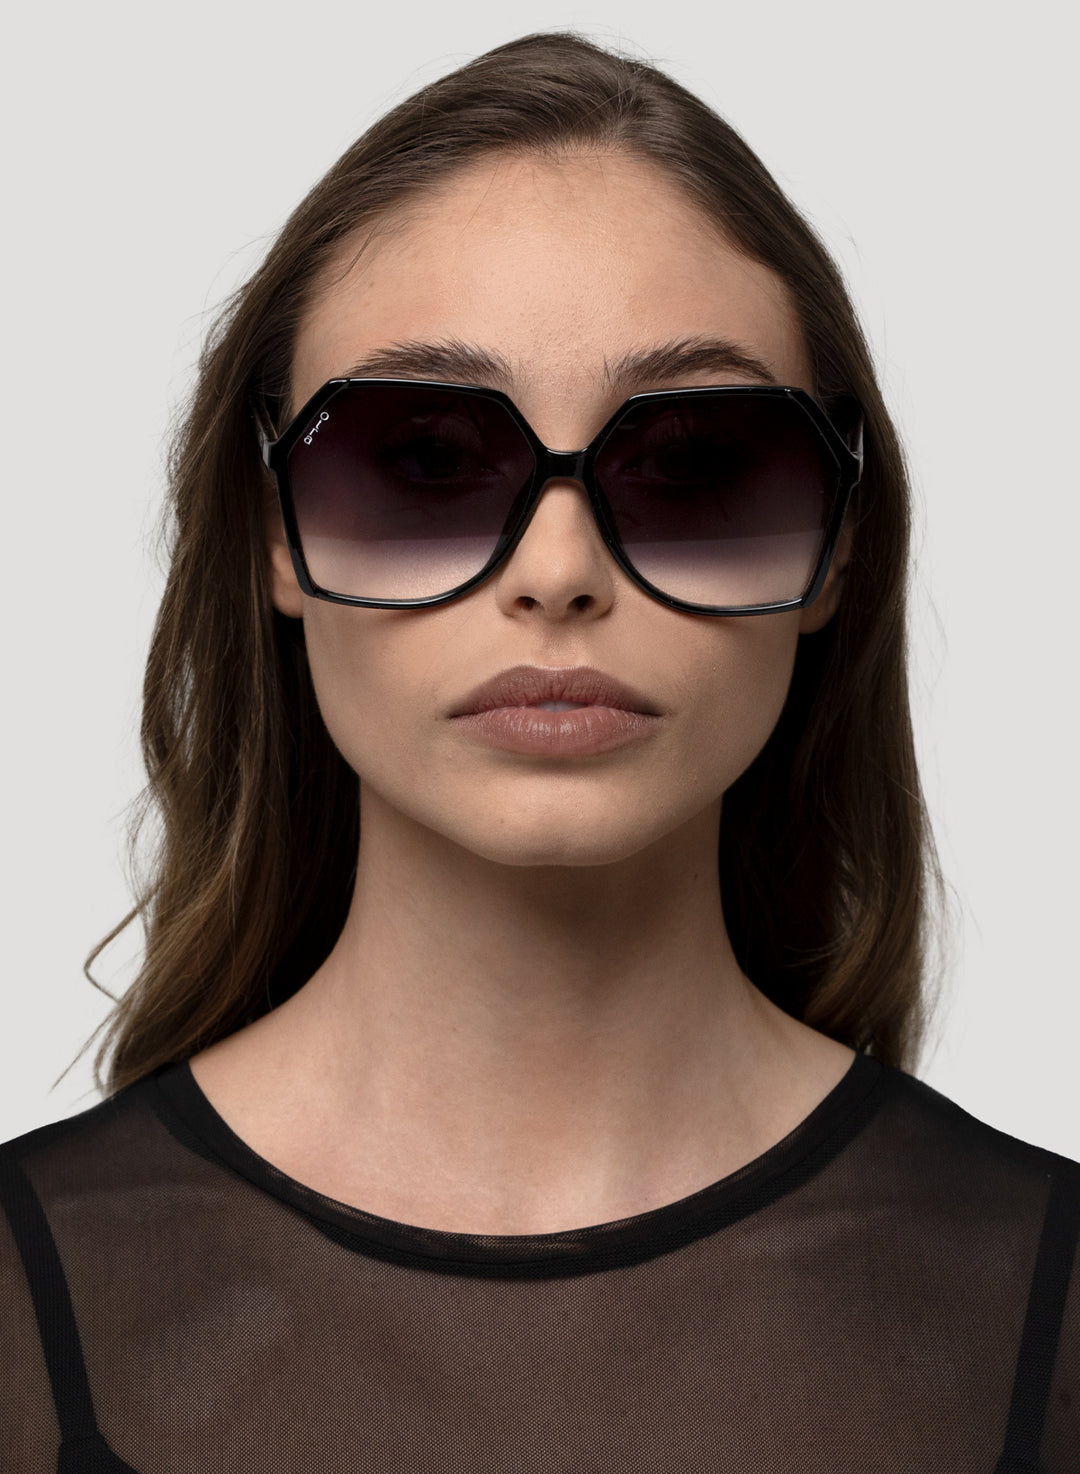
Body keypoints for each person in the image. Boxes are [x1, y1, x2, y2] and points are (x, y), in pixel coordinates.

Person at [1, 31, 1077, 1473]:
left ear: (836, 545)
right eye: (424, 458)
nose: (559, 572)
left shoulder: (1049, 1302)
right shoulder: (23, 1300)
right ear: (274, 536)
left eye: (695, 462)